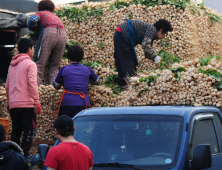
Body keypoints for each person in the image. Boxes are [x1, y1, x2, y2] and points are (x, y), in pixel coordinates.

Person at [5, 38, 41, 162]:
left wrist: (9, 102)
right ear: (29, 49)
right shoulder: (30, 64)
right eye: (33, 48)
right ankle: (24, 155)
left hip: (14, 104)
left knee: (16, 130)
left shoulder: (11, 65)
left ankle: (13, 156)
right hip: (26, 104)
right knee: (30, 129)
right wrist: (36, 102)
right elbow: (32, 83)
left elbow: (7, 86)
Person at [114, 19, 173, 87]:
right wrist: (155, 57)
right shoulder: (152, 30)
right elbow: (145, 44)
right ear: (160, 30)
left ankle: (123, 83)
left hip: (120, 34)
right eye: (165, 34)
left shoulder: (151, 32)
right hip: (122, 34)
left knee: (124, 59)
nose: (164, 37)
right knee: (128, 61)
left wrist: (155, 59)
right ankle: (129, 85)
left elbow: (147, 51)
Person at [53, 45, 100, 118]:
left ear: (69, 57)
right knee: (82, 127)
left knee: (66, 127)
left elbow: (56, 85)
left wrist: (63, 83)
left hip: (67, 104)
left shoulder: (64, 69)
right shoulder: (87, 69)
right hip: (83, 103)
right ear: (82, 57)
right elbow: (97, 81)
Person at [27, 0, 67, 85]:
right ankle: (53, 89)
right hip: (63, 35)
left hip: (49, 33)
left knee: (39, 64)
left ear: (40, 7)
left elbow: (33, 20)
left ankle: (35, 88)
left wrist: (31, 28)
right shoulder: (55, 16)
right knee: (55, 66)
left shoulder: (40, 13)